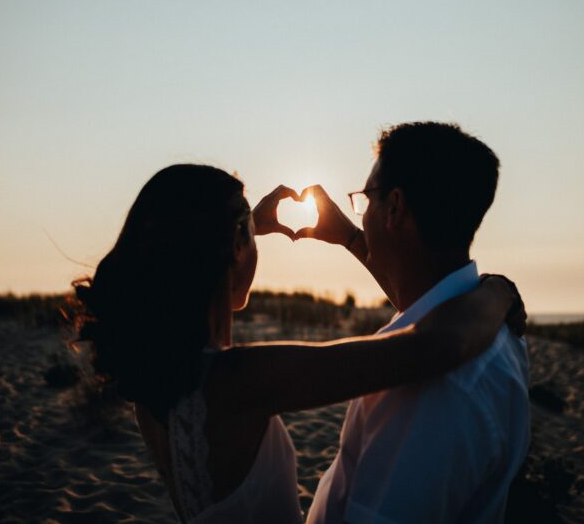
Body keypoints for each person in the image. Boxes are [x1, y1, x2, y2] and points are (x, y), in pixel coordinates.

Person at [71, 163, 525, 523]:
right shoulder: (241, 382)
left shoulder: (156, 376)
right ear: (235, 244)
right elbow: (431, 344)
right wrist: (497, 290)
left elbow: (414, 308)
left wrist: (341, 236)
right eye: (249, 233)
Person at [298, 122, 531, 523]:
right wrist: (349, 238)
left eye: (365, 199)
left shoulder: (425, 388)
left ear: (395, 207)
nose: (362, 213)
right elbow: (415, 299)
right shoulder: (493, 327)